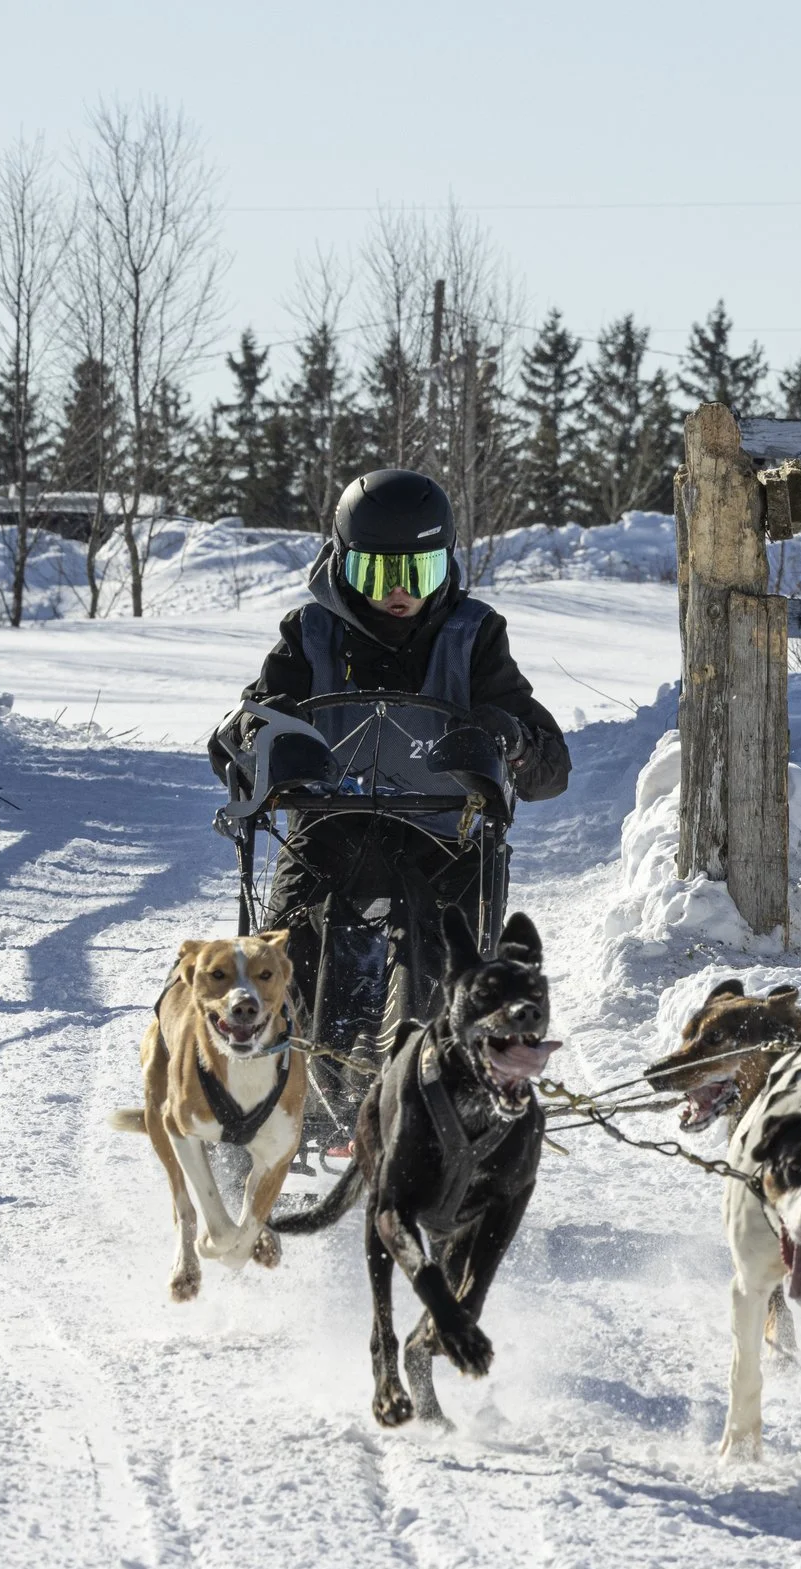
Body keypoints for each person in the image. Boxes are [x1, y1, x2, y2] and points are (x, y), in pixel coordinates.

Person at [208, 468, 569, 1149]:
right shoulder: (310, 633)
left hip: (444, 833)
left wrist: (511, 741)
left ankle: (418, 1091)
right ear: (344, 563)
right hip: (328, 826)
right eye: (378, 574)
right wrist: (269, 741)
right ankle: (290, 1092)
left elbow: (551, 766)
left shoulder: (474, 636)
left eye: (418, 571)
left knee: (437, 944)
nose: (399, 592)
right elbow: (239, 732)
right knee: (290, 945)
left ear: (447, 562)